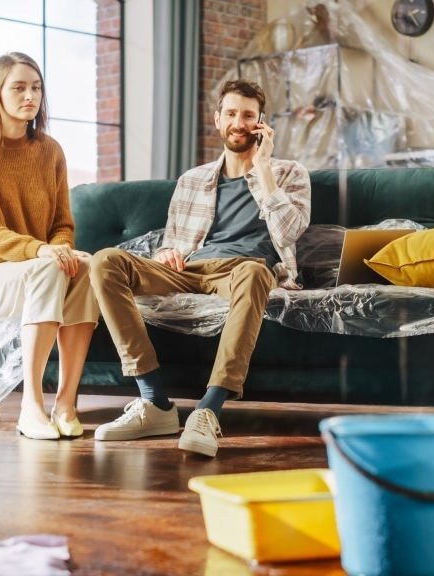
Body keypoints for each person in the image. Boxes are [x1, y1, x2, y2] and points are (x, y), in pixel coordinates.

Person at [89, 79, 311, 457]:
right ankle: (155, 402)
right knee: (105, 261)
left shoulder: (289, 173)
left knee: (258, 273)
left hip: (243, 271)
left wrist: (263, 170)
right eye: (231, 113)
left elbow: (290, 231)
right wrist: (166, 255)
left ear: (262, 123)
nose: (238, 122)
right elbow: (172, 242)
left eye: (247, 115)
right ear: (217, 119)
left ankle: (208, 411)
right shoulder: (192, 180)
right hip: (190, 271)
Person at [0, 52, 99, 441]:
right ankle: (31, 407)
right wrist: (42, 251)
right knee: (51, 266)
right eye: (19, 87)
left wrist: (62, 249)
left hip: (37, 271)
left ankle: (65, 403)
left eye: (36, 88)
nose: (30, 96)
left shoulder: (50, 151)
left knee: (87, 267)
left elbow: (62, 224)